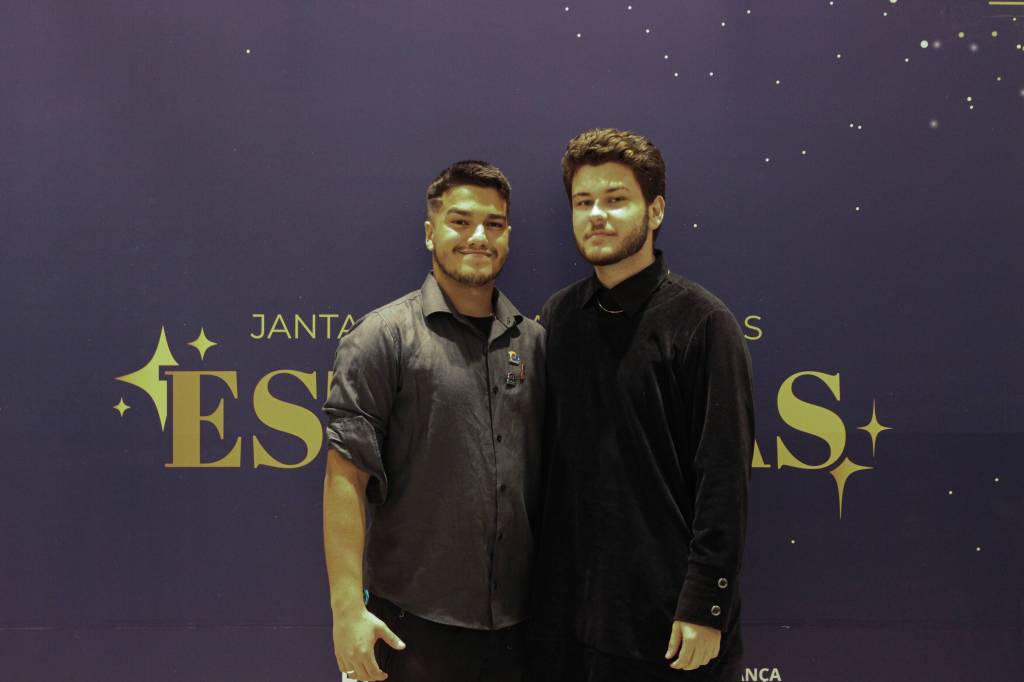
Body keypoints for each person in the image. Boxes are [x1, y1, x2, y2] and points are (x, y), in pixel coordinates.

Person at [530, 128, 754, 681]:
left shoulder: (703, 323)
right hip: (565, 619)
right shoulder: (558, 317)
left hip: (666, 623)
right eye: (583, 202)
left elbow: (724, 478)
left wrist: (706, 604)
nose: (596, 215)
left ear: (655, 211)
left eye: (615, 199)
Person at [322, 160, 545, 682]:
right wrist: (347, 611)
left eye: (493, 224)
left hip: (521, 631)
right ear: (430, 232)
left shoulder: (535, 344)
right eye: (460, 222)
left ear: (507, 235)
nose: (478, 237)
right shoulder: (382, 337)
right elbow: (345, 477)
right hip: (412, 628)